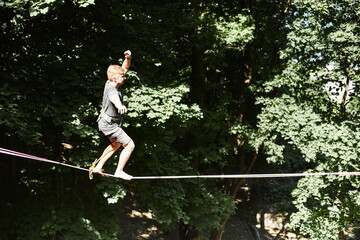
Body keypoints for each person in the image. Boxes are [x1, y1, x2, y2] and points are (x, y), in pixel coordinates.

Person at [89, 50, 134, 180]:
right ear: (115, 78)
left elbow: (124, 68)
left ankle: (98, 167)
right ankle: (119, 171)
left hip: (107, 122)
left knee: (116, 144)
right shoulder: (112, 90)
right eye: (122, 77)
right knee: (130, 145)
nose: (125, 77)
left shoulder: (111, 81)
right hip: (109, 124)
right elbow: (114, 98)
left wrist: (128, 58)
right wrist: (120, 106)